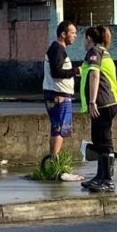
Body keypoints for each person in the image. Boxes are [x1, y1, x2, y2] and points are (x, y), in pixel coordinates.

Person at [79, 26, 117, 193]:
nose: (83, 42)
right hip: (108, 103)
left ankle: (108, 180)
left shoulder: (94, 51)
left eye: (84, 38)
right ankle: (100, 177)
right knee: (98, 140)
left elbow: (95, 75)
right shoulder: (103, 51)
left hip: (103, 103)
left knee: (104, 142)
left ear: (89, 38)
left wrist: (92, 101)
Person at [41, 20, 83, 181]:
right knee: (58, 129)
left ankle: (54, 161)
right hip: (58, 96)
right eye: (72, 33)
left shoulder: (58, 49)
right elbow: (57, 72)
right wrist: (76, 71)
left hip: (59, 95)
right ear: (63, 34)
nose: (75, 36)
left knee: (59, 129)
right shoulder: (57, 50)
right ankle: (54, 162)